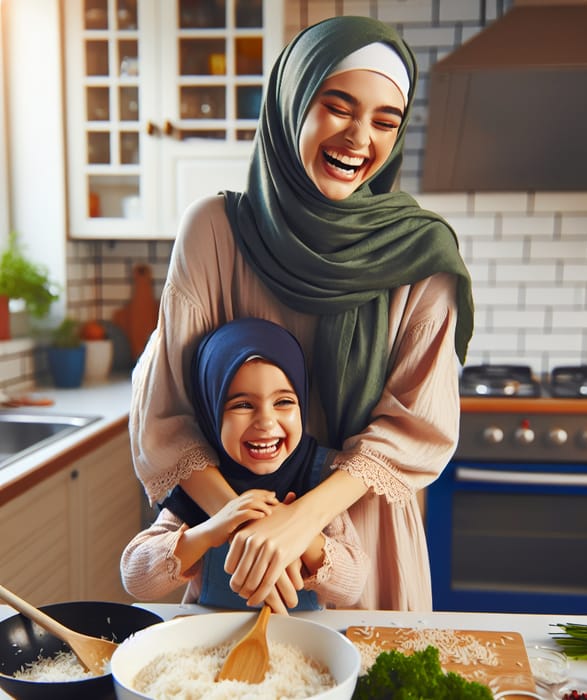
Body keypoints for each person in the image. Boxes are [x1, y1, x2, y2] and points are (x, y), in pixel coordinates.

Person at [130, 15, 474, 611]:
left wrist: (299, 530)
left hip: (356, 546)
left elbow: (416, 428)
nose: (359, 138)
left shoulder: (422, 255)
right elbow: (165, 413)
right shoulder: (214, 231)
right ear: (291, 105)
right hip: (234, 557)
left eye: (384, 121)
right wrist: (246, 528)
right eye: (338, 107)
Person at [121, 318, 369, 612]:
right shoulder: (199, 482)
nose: (266, 421)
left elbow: (353, 585)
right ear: (211, 412)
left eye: (284, 402)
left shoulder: (317, 474)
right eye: (242, 405)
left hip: (306, 641)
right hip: (210, 643)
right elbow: (136, 578)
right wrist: (213, 529)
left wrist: (296, 531)